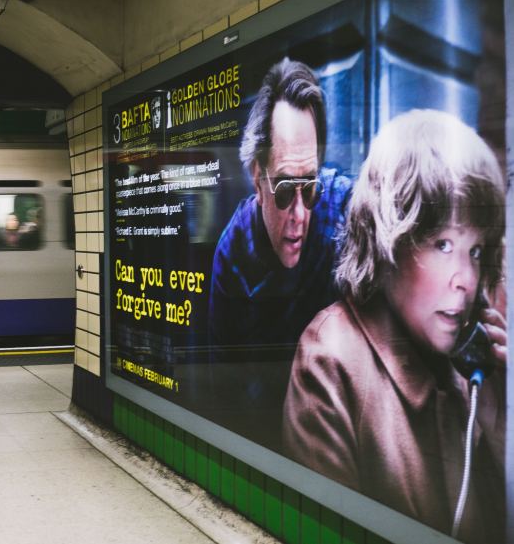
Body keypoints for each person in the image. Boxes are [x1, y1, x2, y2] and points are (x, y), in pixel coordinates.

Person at [282, 110, 506, 544]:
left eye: (475, 251)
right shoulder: (329, 359)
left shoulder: (468, 371)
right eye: (443, 244)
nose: (465, 277)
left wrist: (500, 435)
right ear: (390, 238)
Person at [205, 58, 351, 447]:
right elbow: (227, 391)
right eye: (285, 191)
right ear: (257, 175)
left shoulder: (338, 205)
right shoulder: (232, 258)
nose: (301, 215)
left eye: (311, 188)